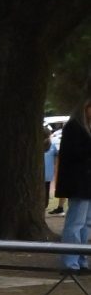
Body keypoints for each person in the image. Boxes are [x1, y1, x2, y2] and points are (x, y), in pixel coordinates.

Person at [54, 95, 91, 272]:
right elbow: (75, 154)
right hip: (79, 183)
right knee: (76, 222)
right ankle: (70, 262)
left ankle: (82, 259)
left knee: (86, 224)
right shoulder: (74, 127)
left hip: (87, 183)